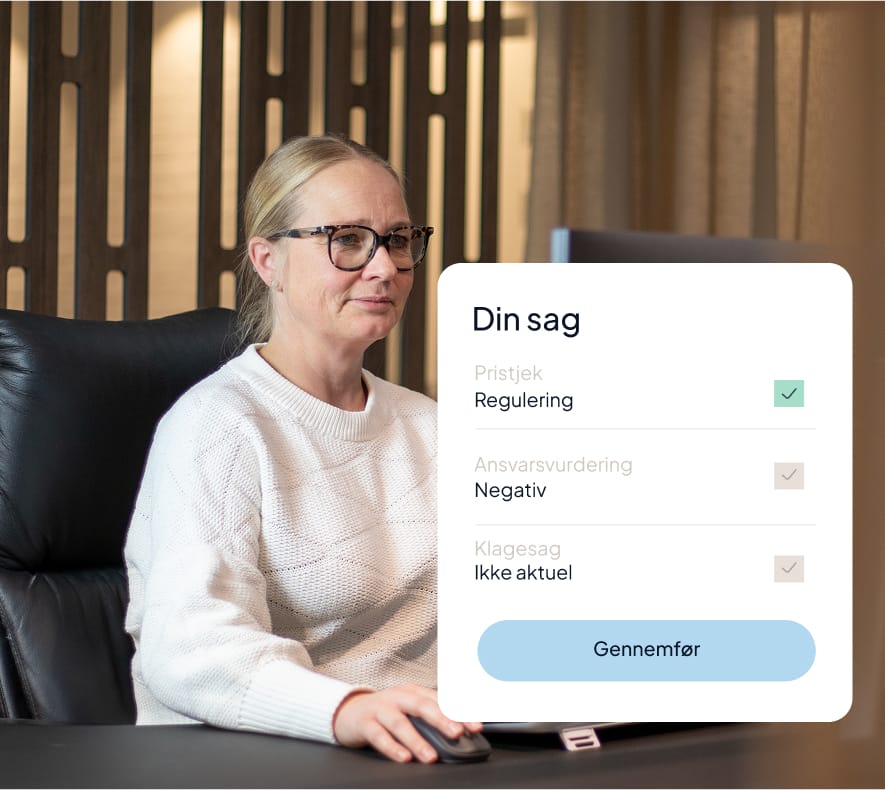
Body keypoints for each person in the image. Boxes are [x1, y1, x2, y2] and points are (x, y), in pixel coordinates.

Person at [124, 134, 481, 763]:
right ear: (267, 260)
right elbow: (188, 647)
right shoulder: (218, 428)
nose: (384, 268)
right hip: (260, 757)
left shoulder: (433, 428)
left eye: (398, 240)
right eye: (346, 240)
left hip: (435, 748)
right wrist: (345, 709)